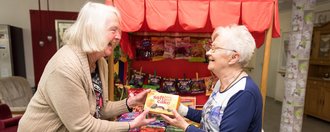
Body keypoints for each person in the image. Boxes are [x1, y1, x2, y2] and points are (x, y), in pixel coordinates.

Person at [18, 2, 155, 131]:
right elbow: (82, 127)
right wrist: (131, 125)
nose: (119, 37)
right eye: (113, 30)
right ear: (93, 30)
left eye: (119, 31)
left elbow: (101, 108)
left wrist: (132, 102)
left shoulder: (100, 62)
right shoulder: (65, 67)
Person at [161, 24, 262, 132]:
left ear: (233, 57)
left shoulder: (244, 93)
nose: (208, 52)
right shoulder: (220, 83)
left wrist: (186, 127)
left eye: (214, 49)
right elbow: (209, 118)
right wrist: (177, 107)